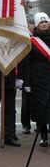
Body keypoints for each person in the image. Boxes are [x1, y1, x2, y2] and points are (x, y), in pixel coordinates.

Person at [22, 12, 50, 147]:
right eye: (41, 22)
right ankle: (43, 135)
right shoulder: (32, 41)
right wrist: (26, 82)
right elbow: (27, 63)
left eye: (46, 22)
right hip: (38, 79)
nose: (44, 24)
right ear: (37, 25)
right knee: (41, 108)